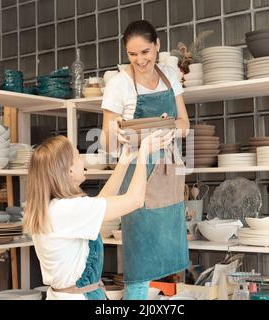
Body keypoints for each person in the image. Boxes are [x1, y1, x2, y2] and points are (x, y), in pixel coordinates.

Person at [23, 130, 173, 300]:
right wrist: (144, 154)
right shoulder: (68, 209)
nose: (82, 160)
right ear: (69, 170)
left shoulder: (54, 207)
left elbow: (101, 202)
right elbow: (135, 200)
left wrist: (124, 161)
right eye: (78, 156)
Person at [101, 20, 190, 300]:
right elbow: (106, 141)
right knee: (139, 265)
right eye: (132, 54)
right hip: (138, 175)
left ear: (158, 46)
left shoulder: (169, 77)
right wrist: (118, 135)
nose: (140, 60)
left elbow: (185, 124)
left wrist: (166, 126)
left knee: (167, 259)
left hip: (168, 173)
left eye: (145, 52)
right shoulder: (119, 85)